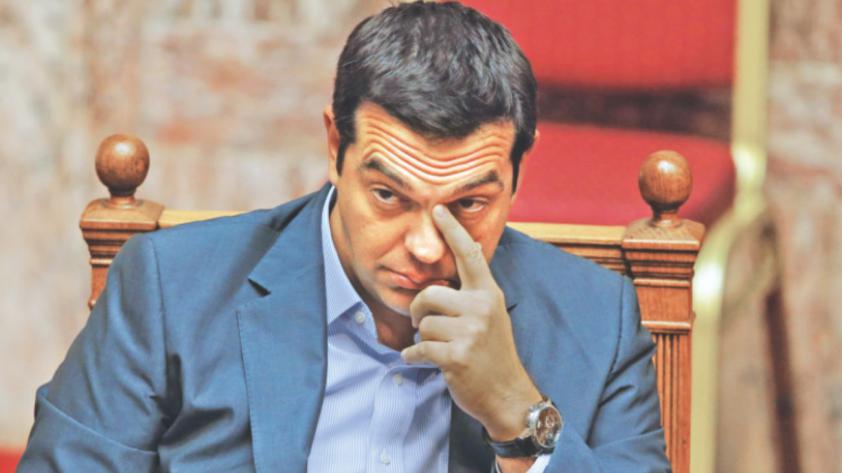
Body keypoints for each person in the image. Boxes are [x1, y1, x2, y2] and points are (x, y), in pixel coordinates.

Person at [18, 2, 669, 472]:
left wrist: (518, 415)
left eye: (467, 204)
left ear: (518, 176)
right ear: (335, 148)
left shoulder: (598, 321)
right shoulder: (171, 287)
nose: (423, 244)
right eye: (389, 195)